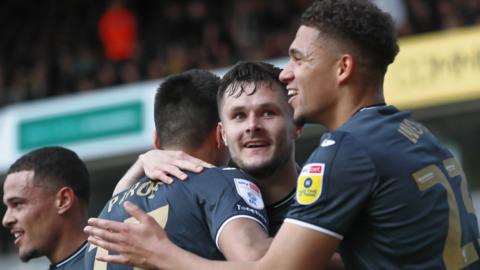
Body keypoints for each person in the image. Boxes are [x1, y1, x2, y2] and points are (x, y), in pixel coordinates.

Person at [91, 0, 480, 269]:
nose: (287, 72)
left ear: (342, 68)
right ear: (220, 134)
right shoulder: (412, 133)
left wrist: (161, 254)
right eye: (239, 116)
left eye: (298, 58)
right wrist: (143, 163)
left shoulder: (345, 152)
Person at [83, 69, 273, 269]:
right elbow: (259, 263)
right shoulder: (220, 182)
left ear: (156, 141)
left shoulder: (108, 212)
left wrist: (141, 161)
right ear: (220, 135)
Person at [2, 146, 90, 270]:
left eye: (17, 204)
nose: (6, 220)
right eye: (7, 207)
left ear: (64, 200)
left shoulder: (116, 262)